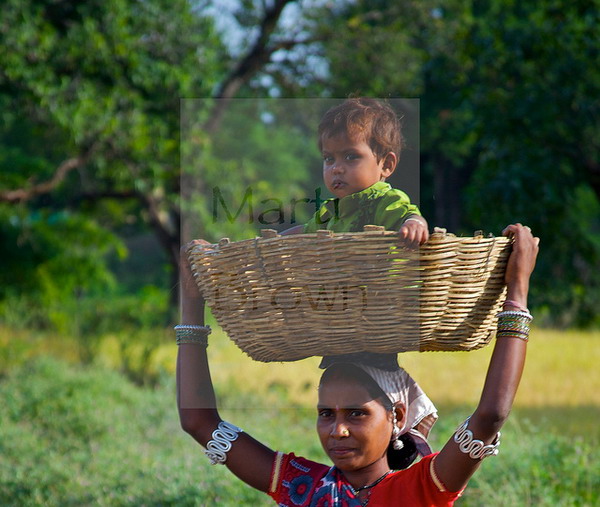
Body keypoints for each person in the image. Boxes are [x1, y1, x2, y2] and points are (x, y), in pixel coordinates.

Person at [176, 223, 539, 506]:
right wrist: (192, 302)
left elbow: (490, 415)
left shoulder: (423, 489)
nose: (338, 430)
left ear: (397, 416)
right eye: (326, 414)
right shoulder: (300, 485)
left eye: (356, 414)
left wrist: (517, 291)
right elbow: (198, 421)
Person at [282, 98, 429, 248]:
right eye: (329, 158)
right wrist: (271, 241)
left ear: (386, 164)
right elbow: (304, 232)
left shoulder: (384, 201)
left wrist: (414, 224)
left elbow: (409, 216)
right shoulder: (329, 213)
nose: (336, 168)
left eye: (351, 156)